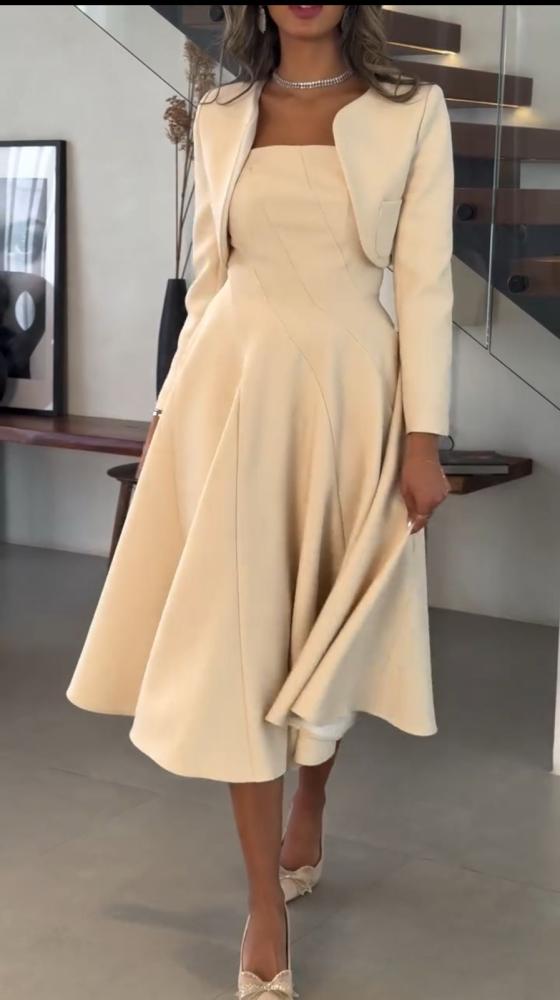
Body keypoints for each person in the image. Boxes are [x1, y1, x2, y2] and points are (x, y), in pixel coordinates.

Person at [66, 5, 454, 996]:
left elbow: (422, 283)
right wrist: (167, 412)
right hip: (231, 390)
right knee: (241, 638)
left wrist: (423, 438)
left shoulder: (412, 110)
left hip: (349, 391)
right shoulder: (221, 109)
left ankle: (309, 800)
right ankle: (260, 901)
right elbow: (208, 282)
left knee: (324, 626)